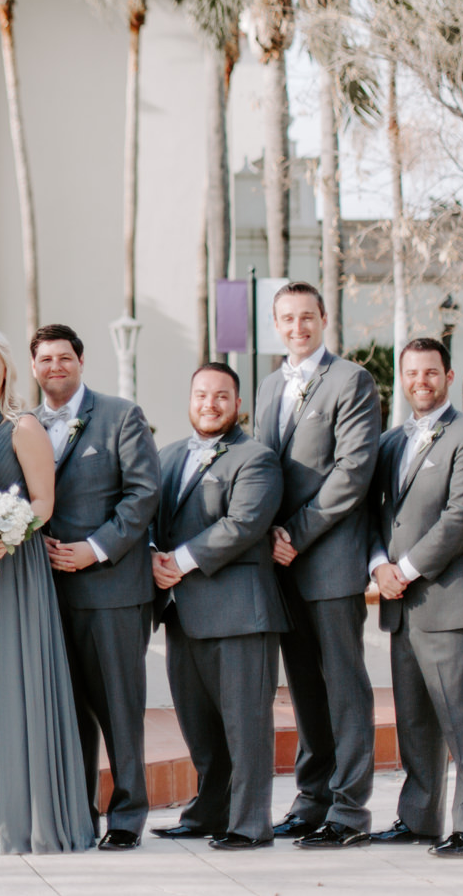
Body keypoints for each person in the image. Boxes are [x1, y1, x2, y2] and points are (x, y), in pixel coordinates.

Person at [0, 328, 93, 854]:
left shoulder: (23, 425)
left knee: (18, 678)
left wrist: (3, 533)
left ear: (7, 369)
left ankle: (31, 816)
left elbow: (43, 502)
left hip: (16, 566)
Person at [256, 282, 381, 847]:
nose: (297, 327)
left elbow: (353, 473)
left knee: (343, 684)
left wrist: (297, 535)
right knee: (304, 686)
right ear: (276, 323)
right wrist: (264, 538)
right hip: (280, 563)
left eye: (307, 317)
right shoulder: (266, 386)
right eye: (287, 318)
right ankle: (312, 801)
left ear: (324, 319)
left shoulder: (352, 380)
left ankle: (351, 811)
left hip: (328, 558)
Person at [367, 337, 463, 859]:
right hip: (401, 603)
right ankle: (418, 818)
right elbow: (376, 513)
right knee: (416, 721)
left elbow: (461, 519)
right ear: (402, 379)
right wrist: (379, 565)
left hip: (448, 599)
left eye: (430, 372)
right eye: (411, 373)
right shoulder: (391, 442)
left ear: (448, 376)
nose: (420, 382)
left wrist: (403, 568)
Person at [32, 323, 161, 851]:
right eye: (45, 359)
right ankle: (77, 812)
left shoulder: (120, 415)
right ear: (35, 366)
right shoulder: (25, 423)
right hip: (47, 592)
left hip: (111, 589)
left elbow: (142, 494)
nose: (55, 367)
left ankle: (127, 815)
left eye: (64, 357)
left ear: (80, 362)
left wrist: (96, 548)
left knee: (118, 707)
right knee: (67, 708)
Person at [149, 363, 286, 851]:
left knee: (245, 724)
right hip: (181, 612)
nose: (210, 403)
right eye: (202, 394)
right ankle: (208, 811)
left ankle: (250, 823)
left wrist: (178, 562)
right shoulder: (165, 457)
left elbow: (243, 523)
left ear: (238, 404)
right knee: (197, 722)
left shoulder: (256, 458)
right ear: (190, 399)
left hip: (240, 614)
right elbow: (148, 517)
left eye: (221, 396)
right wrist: (152, 558)